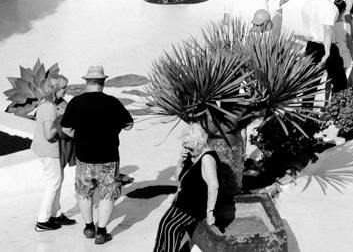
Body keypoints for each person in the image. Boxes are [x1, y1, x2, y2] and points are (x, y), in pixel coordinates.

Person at [59, 66, 134, 243]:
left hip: (84, 156)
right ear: (103, 82)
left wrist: (79, 136)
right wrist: (113, 129)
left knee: (84, 193)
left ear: (87, 81)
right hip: (108, 156)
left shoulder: (75, 102)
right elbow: (129, 124)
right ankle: (101, 232)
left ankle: (88, 227)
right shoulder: (113, 102)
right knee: (107, 194)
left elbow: (65, 128)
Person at [151, 121, 237, 252]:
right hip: (182, 202)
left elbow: (214, 187)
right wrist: (180, 162)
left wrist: (210, 213)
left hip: (195, 206)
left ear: (199, 143)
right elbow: (179, 178)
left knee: (172, 229)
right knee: (164, 224)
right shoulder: (192, 156)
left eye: (190, 148)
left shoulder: (207, 159)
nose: (187, 150)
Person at [289, 0, 347, 98]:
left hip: (311, 46)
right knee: (339, 81)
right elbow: (328, 29)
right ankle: (338, 110)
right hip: (326, 46)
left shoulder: (308, 4)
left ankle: (306, 113)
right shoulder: (331, 7)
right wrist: (327, 52)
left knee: (310, 83)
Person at [30, 72, 73, 232]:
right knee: (53, 182)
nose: (66, 90)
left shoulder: (47, 104)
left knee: (58, 179)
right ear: (54, 89)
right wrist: (61, 120)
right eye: (63, 88)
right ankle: (42, 220)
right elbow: (49, 134)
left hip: (49, 149)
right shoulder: (48, 107)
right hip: (49, 150)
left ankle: (56, 213)